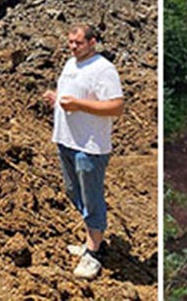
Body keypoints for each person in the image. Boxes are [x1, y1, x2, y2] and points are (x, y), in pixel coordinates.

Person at [41, 24, 125, 280]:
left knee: (91, 198)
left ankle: (94, 252)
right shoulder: (70, 64)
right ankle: (93, 235)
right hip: (66, 141)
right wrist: (57, 98)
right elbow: (73, 94)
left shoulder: (103, 69)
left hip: (89, 147)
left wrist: (78, 104)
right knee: (71, 191)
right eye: (70, 42)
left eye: (78, 42)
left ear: (92, 42)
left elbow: (116, 106)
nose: (73, 46)